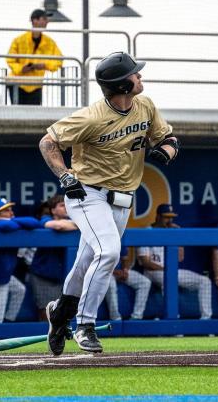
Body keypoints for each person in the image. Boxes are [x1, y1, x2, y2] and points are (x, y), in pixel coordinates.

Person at [40, 51, 178, 354]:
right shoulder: (91, 116)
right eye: (135, 74)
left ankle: (59, 313)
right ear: (122, 85)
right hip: (87, 193)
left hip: (122, 200)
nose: (140, 77)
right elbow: (48, 142)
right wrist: (64, 175)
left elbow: (170, 140)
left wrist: (165, 152)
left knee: (86, 261)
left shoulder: (146, 106)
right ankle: (85, 324)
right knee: (109, 252)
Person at [0, 198, 50, 324]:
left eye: (11, 209)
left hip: (4, 278)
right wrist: (11, 222)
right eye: (6, 210)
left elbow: (34, 222)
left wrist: (11, 220)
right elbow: (7, 225)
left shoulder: (10, 224)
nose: (11, 212)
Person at [139, 204, 213, 320]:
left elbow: (180, 258)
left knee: (205, 281)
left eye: (171, 217)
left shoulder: (171, 232)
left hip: (170, 271)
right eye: (166, 217)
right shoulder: (147, 232)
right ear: (158, 217)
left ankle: (206, 319)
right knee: (168, 279)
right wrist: (167, 270)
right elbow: (145, 262)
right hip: (152, 272)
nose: (169, 220)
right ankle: (173, 318)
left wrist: (178, 236)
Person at [27, 194, 80, 319]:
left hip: (62, 276)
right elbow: (59, 226)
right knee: (45, 312)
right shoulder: (45, 219)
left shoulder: (73, 220)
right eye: (62, 205)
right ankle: (44, 337)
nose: (66, 207)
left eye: (67, 204)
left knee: (62, 312)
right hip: (42, 275)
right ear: (53, 210)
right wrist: (80, 223)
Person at [5, 9, 63, 105]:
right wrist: (21, 68)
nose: (46, 21)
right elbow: (10, 59)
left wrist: (44, 65)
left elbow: (59, 61)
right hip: (17, 83)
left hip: (35, 84)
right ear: (34, 21)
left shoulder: (49, 42)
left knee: (32, 115)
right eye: (43, 18)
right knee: (17, 114)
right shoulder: (19, 40)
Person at [106, 248, 152, 320]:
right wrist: (114, 272)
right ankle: (115, 318)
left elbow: (124, 259)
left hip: (120, 272)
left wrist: (125, 271)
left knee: (145, 282)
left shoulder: (121, 240)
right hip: (105, 273)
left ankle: (136, 317)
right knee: (111, 285)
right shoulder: (102, 240)